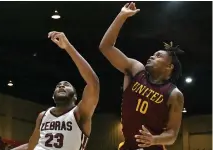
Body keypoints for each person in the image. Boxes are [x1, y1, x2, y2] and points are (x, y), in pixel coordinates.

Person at [99, 2, 184, 150]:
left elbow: (172, 134)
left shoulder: (174, 94)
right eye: (152, 54)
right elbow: (106, 47)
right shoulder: (136, 70)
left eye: (158, 56)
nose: (151, 56)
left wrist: (154, 139)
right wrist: (122, 16)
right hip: (127, 146)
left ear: (169, 67)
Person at [12, 31, 100, 150]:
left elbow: (93, 84)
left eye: (66, 85)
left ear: (75, 97)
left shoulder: (79, 113)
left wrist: (68, 47)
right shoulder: (42, 116)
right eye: (58, 86)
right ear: (53, 97)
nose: (62, 86)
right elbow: (32, 146)